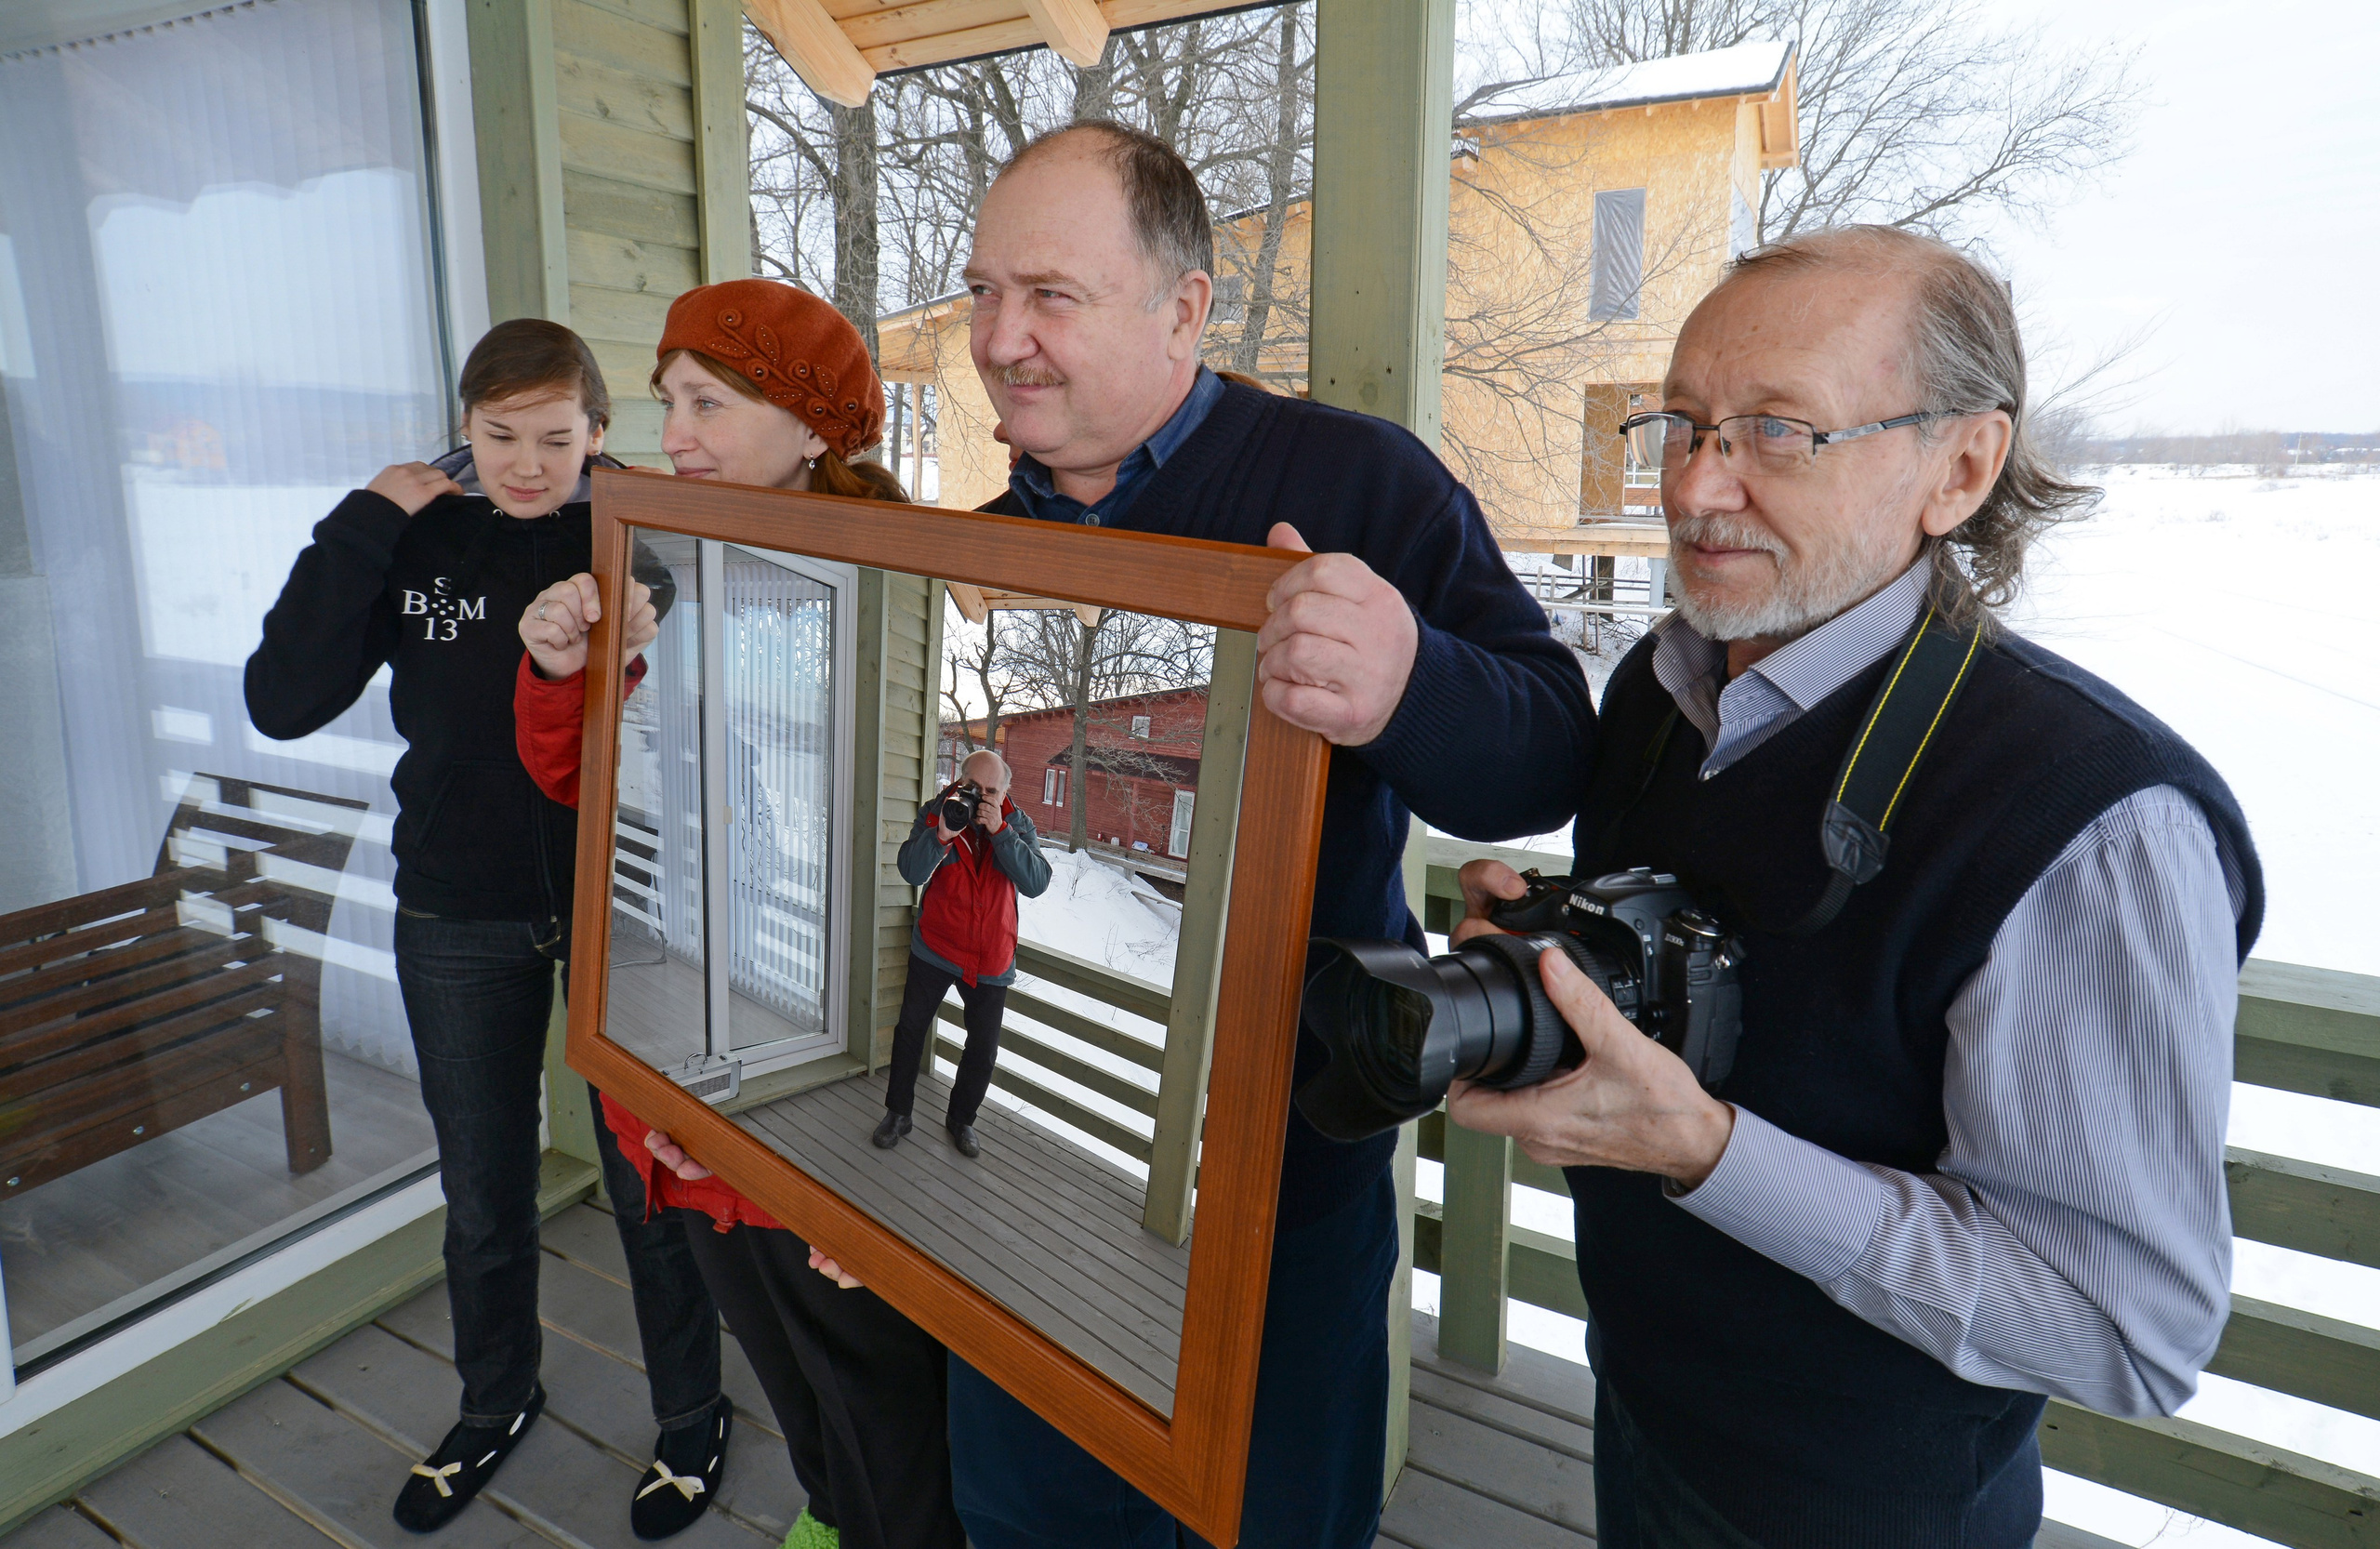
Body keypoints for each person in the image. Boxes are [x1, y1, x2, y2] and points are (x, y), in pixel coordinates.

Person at [1446, 226, 2262, 1548]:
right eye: (1685, 423)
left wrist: (1712, 1155)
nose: (1700, 486)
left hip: (1853, 1508)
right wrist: (1561, 963)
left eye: (1780, 433)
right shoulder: (1663, 693)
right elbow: (1781, 975)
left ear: (1962, 465)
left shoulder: (2092, 821)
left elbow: (2128, 1326)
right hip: (1641, 1407)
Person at [937, 120, 1598, 1549]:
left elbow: (1547, 752)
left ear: (1184, 305)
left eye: (1050, 295)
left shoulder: (1360, 482)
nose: (999, 338)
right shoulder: (981, 556)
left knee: (1271, 1509)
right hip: (1033, 1136)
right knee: (1035, 1505)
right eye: (984, 292)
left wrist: (1409, 678)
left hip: (1283, 1156)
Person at [245, 319, 737, 1538]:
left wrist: (636, 608)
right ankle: (494, 1400)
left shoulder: (625, 527)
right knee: (483, 1193)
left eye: (555, 438)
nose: (527, 463)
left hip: (614, 910)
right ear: (462, 428)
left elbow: (677, 614)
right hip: (453, 911)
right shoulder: (418, 538)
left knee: (646, 1185)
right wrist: (365, 515)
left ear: (598, 435)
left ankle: (691, 1417)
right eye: (499, 435)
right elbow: (282, 697)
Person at [511, 277, 964, 1549]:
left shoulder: (871, 588)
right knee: (785, 1358)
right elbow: (585, 783)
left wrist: (820, 1130)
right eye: (669, 404)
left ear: (811, 426)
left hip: (804, 1074)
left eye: (710, 402)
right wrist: (567, 670)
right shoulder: (670, 566)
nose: (680, 432)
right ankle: (829, 1512)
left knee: (878, 1391)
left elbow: (877, 863)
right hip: (679, 1048)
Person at [873, 749, 1051, 1158]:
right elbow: (911, 872)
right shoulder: (940, 812)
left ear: (1006, 791)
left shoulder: (1019, 826)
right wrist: (941, 835)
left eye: (992, 790)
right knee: (910, 1031)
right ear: (960, 780)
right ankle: (898, 1113)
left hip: (990, 958)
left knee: (983, 1049)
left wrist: (1002, 833)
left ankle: (961, 1120)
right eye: (975, 787)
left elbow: (1037, 882)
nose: (982, 797)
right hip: (936, 946)